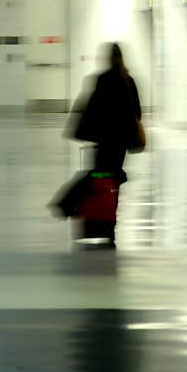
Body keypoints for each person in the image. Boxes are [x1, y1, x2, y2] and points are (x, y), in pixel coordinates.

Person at [66, 43, 142, 247]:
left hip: (103, 142)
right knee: (113, 181)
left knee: (99, 178)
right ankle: (110, 224)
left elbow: (90, 110)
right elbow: (138, 113)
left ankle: (96, 221)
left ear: (108, 58)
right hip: (120, 144)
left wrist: (87, 133)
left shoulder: (102, 80)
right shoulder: (129, 81)